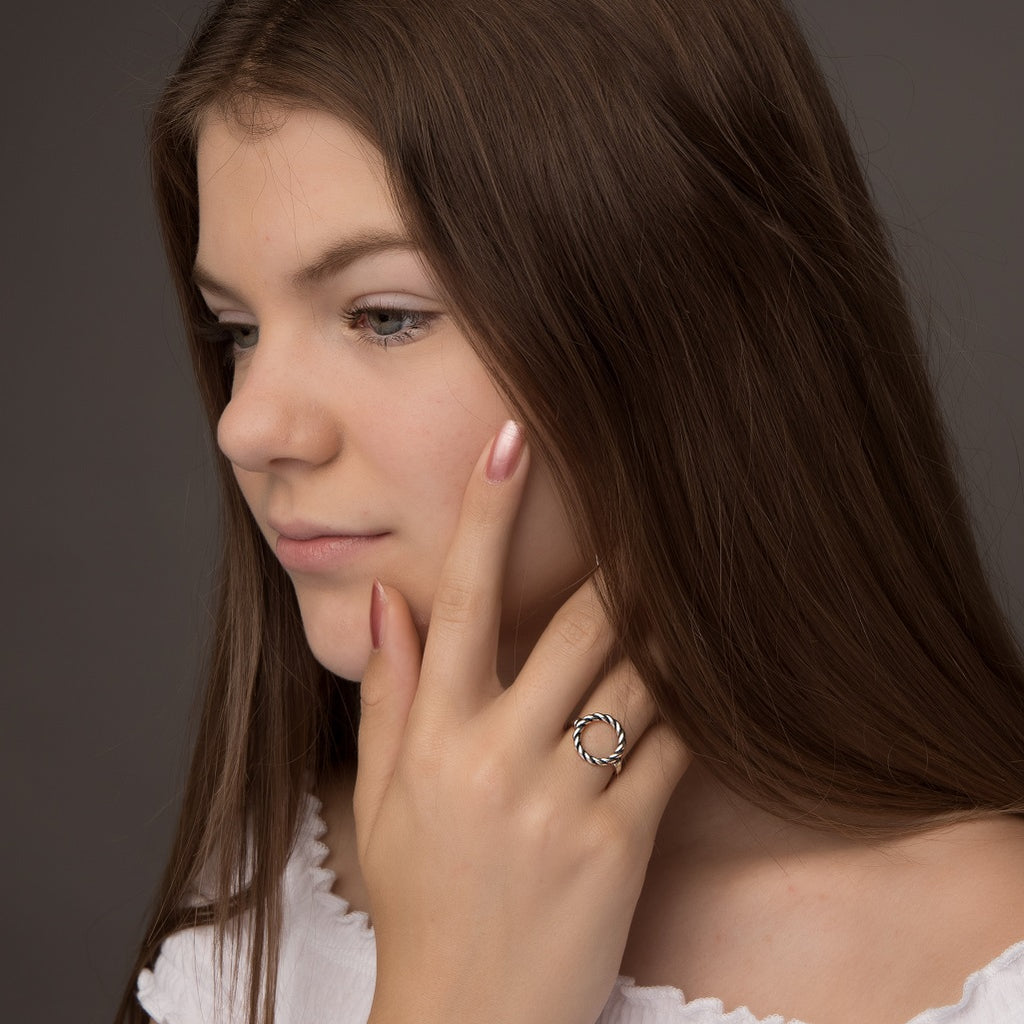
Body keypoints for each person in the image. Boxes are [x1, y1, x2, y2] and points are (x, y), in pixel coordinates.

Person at [117, 1, 1024, 1022]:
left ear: (685, 336)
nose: (248, 425)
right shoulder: (284, 863)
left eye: (384, 315)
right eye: (235, 327)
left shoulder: (991, 966)